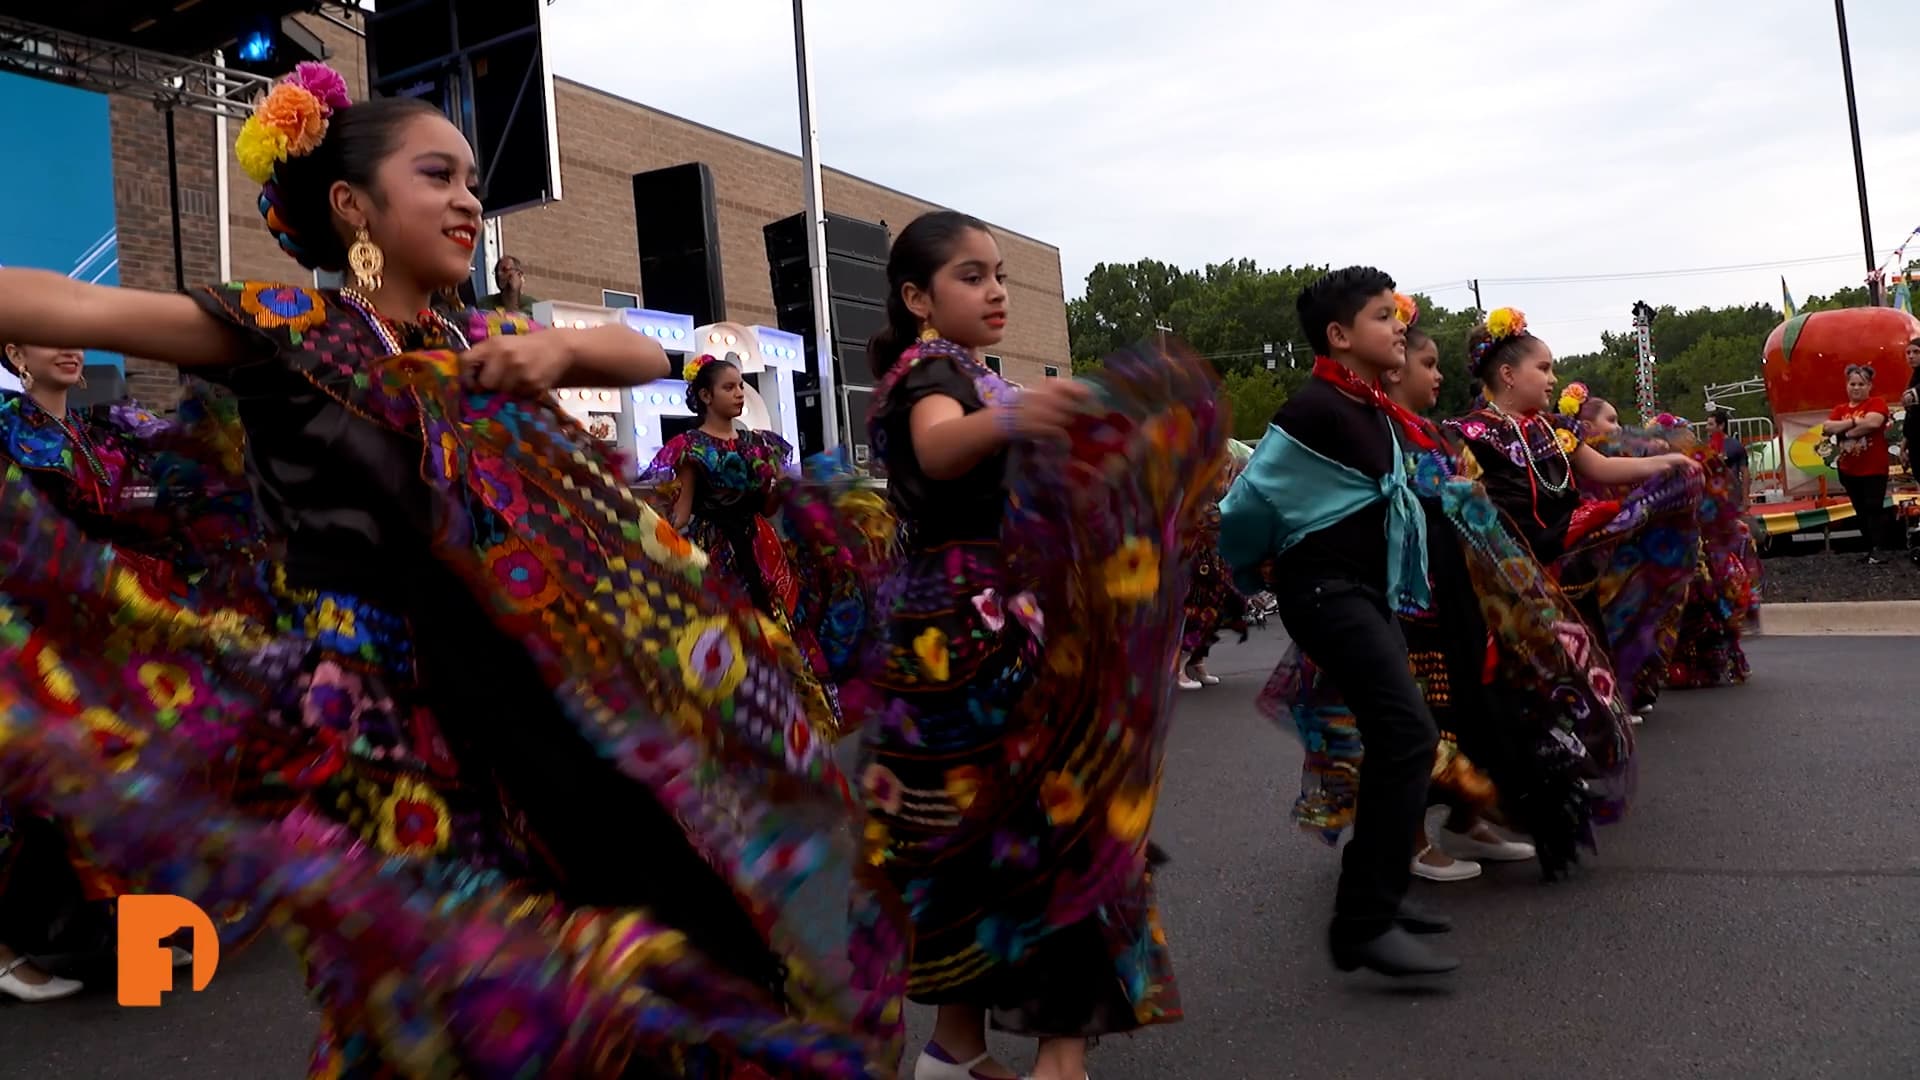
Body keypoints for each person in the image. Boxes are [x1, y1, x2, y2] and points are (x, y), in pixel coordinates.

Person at [0, 63, 901, 1078]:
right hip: (375, 730)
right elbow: (79, 306)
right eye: (437, 176)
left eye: (472, 179)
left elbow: (654, 357)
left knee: (648, 949)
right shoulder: (289, 332)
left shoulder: (478, 339)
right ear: (354, 206)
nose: (469, 199)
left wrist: (560, 355)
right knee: (460, 996)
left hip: (518, 703)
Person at [846, 210, 1205, 1080]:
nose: (997, 290)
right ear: (918, 298)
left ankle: (956, 1048)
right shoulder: (933, 373)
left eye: (1000, 273)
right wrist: (1026, 418)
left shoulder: (970, 374)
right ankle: (1058, 1060)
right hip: (981, 630)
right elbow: (939, 449)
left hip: (961, 627)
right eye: (972, 276)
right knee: (1060, 828)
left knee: (976, 835)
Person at [1219, 266, 1458, 978]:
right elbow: (1248, 504)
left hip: (1364, 591)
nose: (1399, 326)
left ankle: (1375, 896)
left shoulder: (1372, 409)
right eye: (1383, 316)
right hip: (1325, 592)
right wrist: (1253, 567)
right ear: (1339, 335)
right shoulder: (1314, 409)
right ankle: (1362, 921)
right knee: (1407, 734)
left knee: (1402, 736)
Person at [1447, 310, 1703, 730]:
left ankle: (1591, 729)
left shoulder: (1555, 429)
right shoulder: (1473, 433)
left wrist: (1665, 463)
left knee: (1586, 649)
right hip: (1517, 568)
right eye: (1543, 368)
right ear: (1508, 375)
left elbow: (1602, 467)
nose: (1552, 379)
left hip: (1569, 556)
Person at [638, 353, 859, 731]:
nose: (740, 393)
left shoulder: (759, 444)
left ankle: (788, 716)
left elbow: (768, 506)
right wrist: (653, 539)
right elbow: (682, 513)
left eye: (741, 385)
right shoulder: (691, 447)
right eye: (729, 387)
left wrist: (779, 489)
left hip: (761, 548)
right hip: (716, 550)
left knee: (780, 626)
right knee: (726, 630)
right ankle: (737, 717)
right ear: (705, 396)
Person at [1824, 363, 1891, 565]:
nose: (1856, 388)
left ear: (1869, 386)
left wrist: (1845, 430)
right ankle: (1869, 547)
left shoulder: (1877, 403)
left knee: (1874, 507)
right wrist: (1854, 423)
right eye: (1852, 384)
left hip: (1874, 467)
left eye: (1861, 384)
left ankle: (1878, 548)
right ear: (1847, 385)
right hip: (1849, 468)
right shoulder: (1840, 409)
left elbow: (1873, 423)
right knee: (1859, 509)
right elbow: (1827, 427)